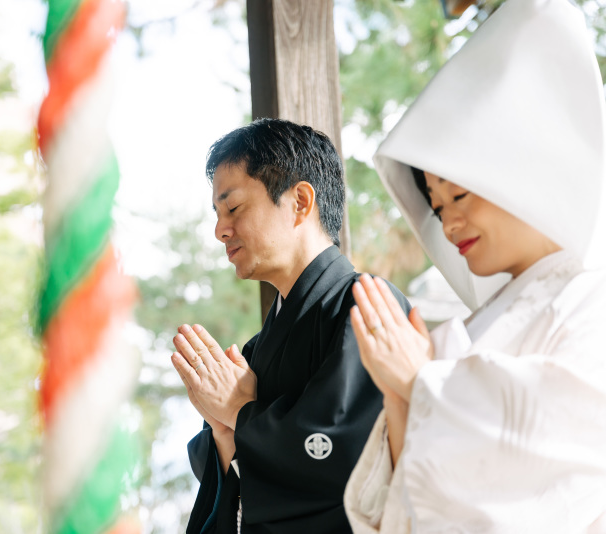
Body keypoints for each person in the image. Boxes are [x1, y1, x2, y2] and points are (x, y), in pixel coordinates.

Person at [342, 0, 606, 531]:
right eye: (436, 206)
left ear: (525, 168)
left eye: (460, 194)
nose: (449, 221)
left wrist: (421, 382)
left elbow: (572, 441)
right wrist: (400, 396)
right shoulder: (468, 327)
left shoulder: (590, 297)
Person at [170, 118, 411, 533]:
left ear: (300, 202)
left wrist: (238, 413)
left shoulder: (367, 309)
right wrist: (227, 435)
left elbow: (345, 458)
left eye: (233, 208)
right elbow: (228, 479)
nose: (219, 230)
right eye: (217, 213)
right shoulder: (252, 353)